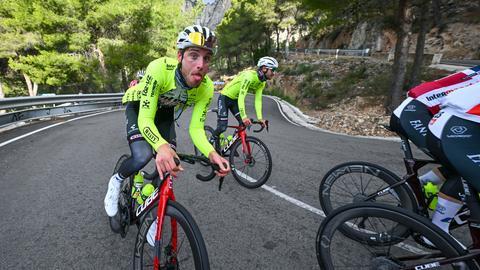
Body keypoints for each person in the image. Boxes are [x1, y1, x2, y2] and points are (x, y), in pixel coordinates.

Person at [104, 24, 230, 220]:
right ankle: (116, 180)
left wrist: (211, 153)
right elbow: (145, 119)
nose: (201, 64)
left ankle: (153, 216)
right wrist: (160, 146)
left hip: (164, 112)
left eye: (207, 58)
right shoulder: (160, 68)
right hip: (139, 106)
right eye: (194, 56)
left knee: (169, 164)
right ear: (179, 56)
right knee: (143, 155)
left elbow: (196, 128)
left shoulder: (206, 88)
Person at [390, 65, 480, 235]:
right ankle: (436, 229)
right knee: (461, 170)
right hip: (414, 113)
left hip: (426, 110)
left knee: (461, 162)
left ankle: (422, 183)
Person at [426, 79, 480, 246]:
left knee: (465, 171)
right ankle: (437, 232)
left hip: (455, 123)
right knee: (471, 174)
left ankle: (425, 182)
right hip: (456, 128)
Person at [210, 56, 278, 147]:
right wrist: (244, 116)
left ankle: (231, 144)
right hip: (225, 97)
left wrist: (260, 118)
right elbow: (242, 97)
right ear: (264, 68)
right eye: (272, 70)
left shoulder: (262, 82)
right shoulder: (249, 76)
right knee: (222, 127)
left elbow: (258, 100)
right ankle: (209, 142)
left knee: (242, 124)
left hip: (234, 101)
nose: (274, 73)